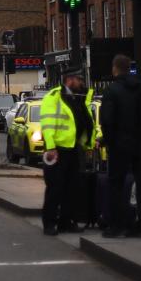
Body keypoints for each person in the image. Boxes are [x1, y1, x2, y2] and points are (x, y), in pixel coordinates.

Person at [99, 54, 141, 238]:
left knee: (115, 184)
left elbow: (107, 120)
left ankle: (116, 225)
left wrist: (108, 140)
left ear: (115, 68)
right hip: (140, 144)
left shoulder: (111, 90)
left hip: (119, 145)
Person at [39, 66, 94, 236]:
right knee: (55, 188)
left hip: (74, 148)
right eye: (79, 79)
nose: (82, 83)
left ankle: (66, 221)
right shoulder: (54, 97)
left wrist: (88, 145)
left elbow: (86, 122)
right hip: (58, 149)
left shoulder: (78, 98)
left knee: (72, 188)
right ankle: (49, 223)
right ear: (70, 79)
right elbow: (47, 124)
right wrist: (50, 147)